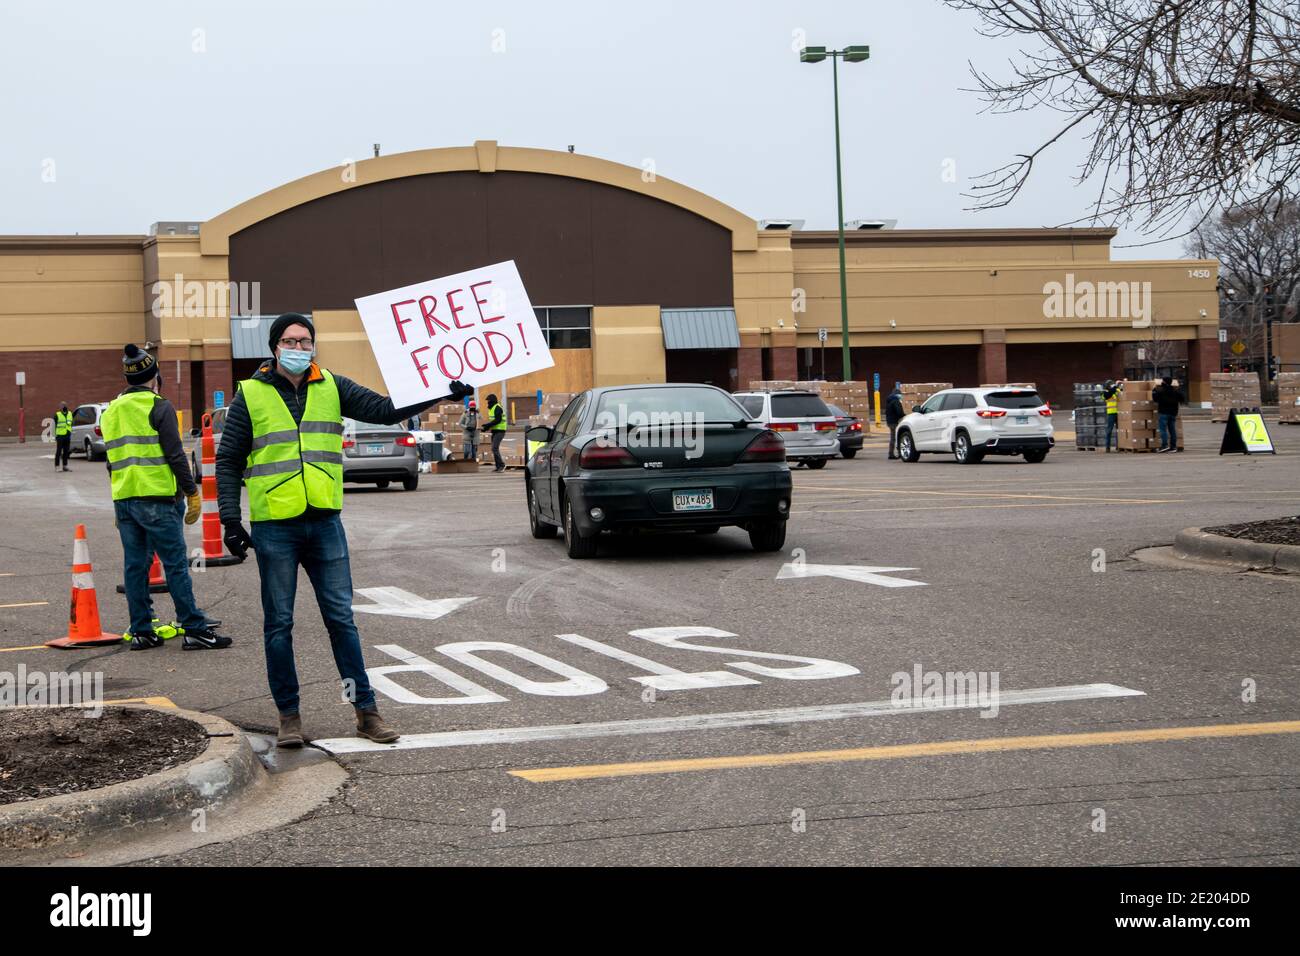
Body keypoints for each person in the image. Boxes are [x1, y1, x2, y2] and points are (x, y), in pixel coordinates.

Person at [215, 313, 472, 748]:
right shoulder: (250, 395)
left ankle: (366, 713)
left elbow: (386, 410)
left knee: (341, 621)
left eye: (306, 340)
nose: (299, 347)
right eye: (291, 340)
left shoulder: (331, 385)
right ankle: (289, 717)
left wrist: (438, 392)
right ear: (275, 346)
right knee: (279, 624)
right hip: (275, 526)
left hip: (325, 523)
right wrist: (229, 518)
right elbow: (229, 460)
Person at [102, 345, 229, 651]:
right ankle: (195, 628)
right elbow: (175, 456)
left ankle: (142, 630)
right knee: (175, 565)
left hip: (125, 498)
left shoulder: (111, 411)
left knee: (135, 566)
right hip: (158, 499)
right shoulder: (159, 407)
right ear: (155, 376)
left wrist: (122, 495)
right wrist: (191, 491)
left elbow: (111, 461)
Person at [1152, 376, 1186, 453]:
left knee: (1163, 430)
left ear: (1164, 382)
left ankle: (1164, 446)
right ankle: (1173, 447)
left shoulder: (1161, 392)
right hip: (1173, 413)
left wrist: (1154, 390)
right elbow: (1182, 399)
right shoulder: (1175, 392)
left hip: (1163, 413)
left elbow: (1155, 399)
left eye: (1163, 381)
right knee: (1172, 430)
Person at [480, 393, 508, 472]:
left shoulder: (497, 407)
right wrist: (486, 427)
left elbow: (498, 420)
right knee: (494, 449)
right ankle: (498, 466)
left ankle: (501, 465)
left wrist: (488, 425)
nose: (487, 402)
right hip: (495, 430)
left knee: (494, 448)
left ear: (492, 400)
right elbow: (493, 421)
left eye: (488, 401)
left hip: (500, 430)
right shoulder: (491, 408)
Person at [1102, 379, 1124, 452]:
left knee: (1119, 430)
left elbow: (1122, 393)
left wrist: (1121, 385)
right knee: (1109, 430)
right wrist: (1115, 386)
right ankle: (1107, 447)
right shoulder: (1105, 392)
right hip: (1111, 413)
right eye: (1110, 384)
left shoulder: (1116, 390)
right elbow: (1108, 396)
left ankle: (1119, 446)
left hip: (1118, 413)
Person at [885, 382, 905, 460]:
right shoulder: (895, 401)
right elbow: (899, 412)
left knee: (893, 438)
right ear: (897, 395)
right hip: (894, 422)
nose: (901, 396)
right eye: (900, 394)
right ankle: (895, 453)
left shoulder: (889, 400)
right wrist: (904, 415)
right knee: (896, 437)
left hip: (889, 421)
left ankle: (891, 453)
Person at [53, 401, 72, 471]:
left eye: (64, 405)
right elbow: (53, 426)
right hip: (60, 435)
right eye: (62, 406)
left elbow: (71, 423)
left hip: (67, 435)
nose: (63, 407)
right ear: (60, 407)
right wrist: (55, 436)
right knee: (59, 451)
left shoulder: (70, 414)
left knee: (66, 451)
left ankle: (65, 466)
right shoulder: (57, 415)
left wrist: (70, 432)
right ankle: (57, 466)